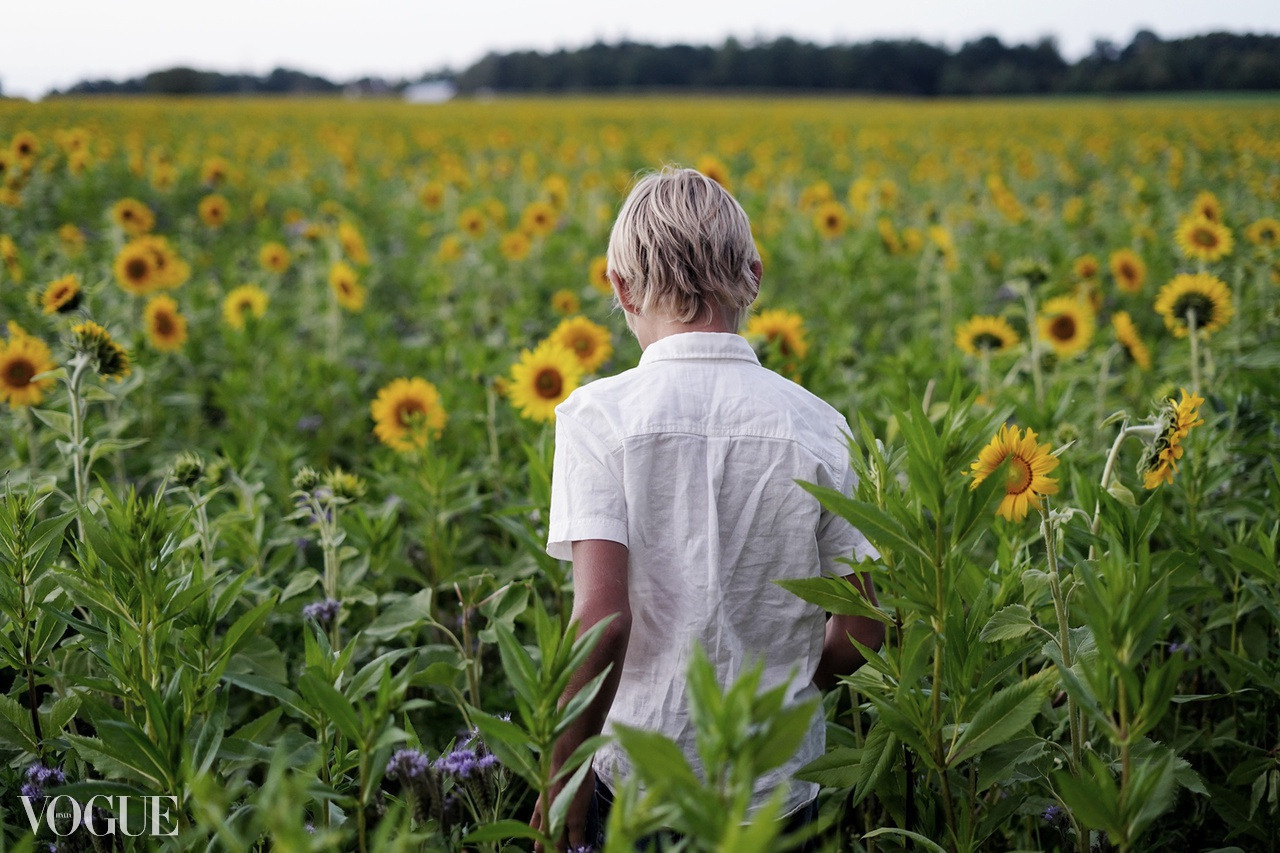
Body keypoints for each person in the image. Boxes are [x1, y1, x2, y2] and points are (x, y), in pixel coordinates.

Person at [530, 166, 885, 852]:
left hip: (639, 783)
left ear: (620, 287)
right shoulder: (818, 425)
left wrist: (559, 775)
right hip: (779, 790)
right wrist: (795, 684)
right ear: (753, 275)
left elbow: (601, 620)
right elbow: (866, 628)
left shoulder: (600, 419)